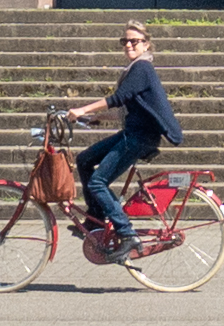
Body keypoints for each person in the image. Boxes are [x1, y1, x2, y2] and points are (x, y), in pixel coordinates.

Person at [65, 21, 181, 251]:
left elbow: (119, 97)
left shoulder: (143, 68)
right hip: (133, 131)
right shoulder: (136, 69)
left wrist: (83, 109)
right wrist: (97, 119)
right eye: (124, 41)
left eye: (134, 41)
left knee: (98, 182)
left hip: (141, 137)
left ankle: (127, 234)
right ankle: (95, 218)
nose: (128, 45)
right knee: (84, 159)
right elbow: (128, 109)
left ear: (146, 45)